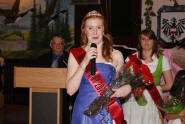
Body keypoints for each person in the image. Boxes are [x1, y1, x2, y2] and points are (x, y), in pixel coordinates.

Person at [66, 10, 130, 124]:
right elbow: (70, 90)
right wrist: (84, 62)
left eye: (98, 27)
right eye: (90, 28)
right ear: (84, 30)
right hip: (84, 112)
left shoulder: (116, 54)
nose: (95, 32)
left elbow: (122, 81)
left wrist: (128, 88)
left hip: (109, 112)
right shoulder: (76, 54)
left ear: (103, 29)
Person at [113, 29, 173, 124]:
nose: (146, 42)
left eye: (149, 39)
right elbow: (123, 81)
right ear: (139, 41)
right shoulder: (131, 58)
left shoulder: (162, 59)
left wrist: (152, 88)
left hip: (152, 102)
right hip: (133, 101)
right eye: (143, 39)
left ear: (154, 41)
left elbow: (169, 84)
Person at [37, 34, 70, 124]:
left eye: (61, 43)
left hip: (64, 96)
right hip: (44, 95)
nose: (58, 46)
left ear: (64, 45)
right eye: (55, 43)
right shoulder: (41, 59)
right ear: (51, 45)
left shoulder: (70, 59)